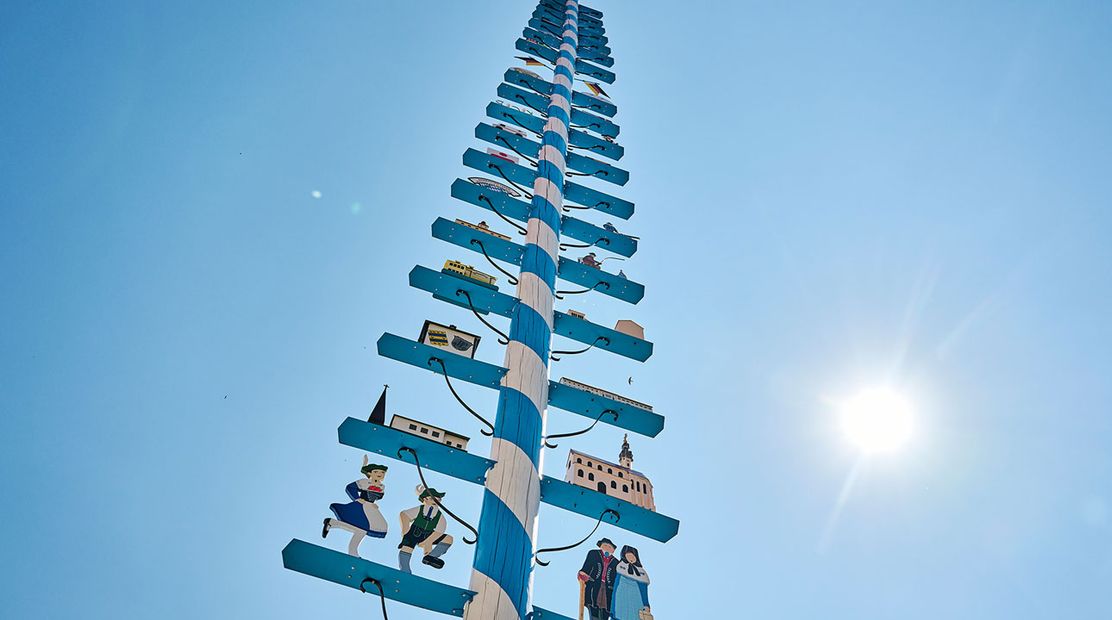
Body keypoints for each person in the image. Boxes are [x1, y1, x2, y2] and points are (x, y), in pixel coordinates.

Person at [323, 455, 388, 556]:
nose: (380, 474)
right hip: (361, 506)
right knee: (362, 529)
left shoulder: (382, 486)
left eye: (382, 472)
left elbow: (376, 496)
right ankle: (353, 552)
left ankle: (332, 523)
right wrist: (357, 498)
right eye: (376, 472)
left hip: (371, 508)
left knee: (364, 530)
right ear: (370, 473)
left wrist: (374, 504)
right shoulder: (364, 482)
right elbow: (350, 487)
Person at [397, 485, 454, 573]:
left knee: (448, 539)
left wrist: (428, 541)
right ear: (425, 499)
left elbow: (440, 530)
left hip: (429, 534)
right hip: (414, 532)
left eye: (438, 500)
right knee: (407, 548)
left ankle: (430, 557)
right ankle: (405, 570)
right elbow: (404, 515)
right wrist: (405, 530)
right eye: (432, 498)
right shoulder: (420, 509)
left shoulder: (439, 515)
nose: (435, 501)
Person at [578, 538, 619, 620]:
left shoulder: (616, 562)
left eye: (610, 547)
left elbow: (616, 577)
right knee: (593, 604)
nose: (607, 548)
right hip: (594, 583)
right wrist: (583, 573)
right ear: (600, 546)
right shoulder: (594, 553)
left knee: (606, 608)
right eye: (605, 545)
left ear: (613, 550)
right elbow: (587, 565)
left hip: (608, 588)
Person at [609, 546, 650, 620]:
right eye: (628, 556)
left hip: (636, 598)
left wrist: (646, 604)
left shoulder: (642, 573)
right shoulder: (620, 568)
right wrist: (612, 607)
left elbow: (643, 590)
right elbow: (615, 587)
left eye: (633, 556)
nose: (631, 558)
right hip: (621, 596)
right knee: (620, 614)